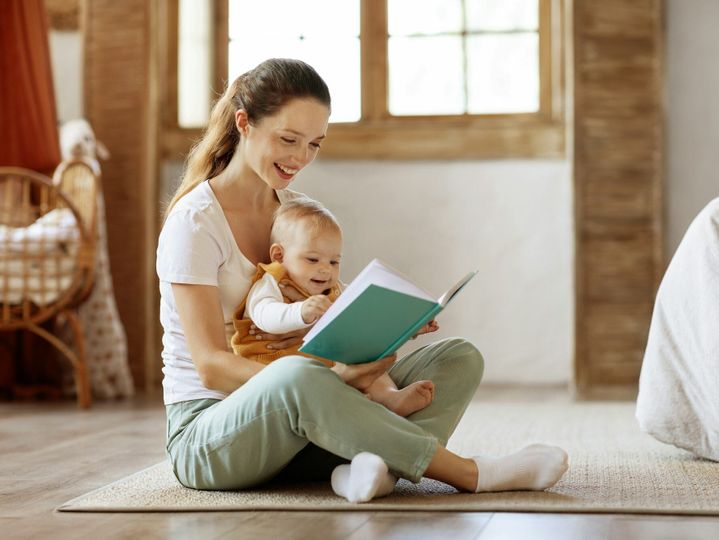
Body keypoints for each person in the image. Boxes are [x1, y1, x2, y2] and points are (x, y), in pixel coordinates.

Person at [157, 57, 569, 503]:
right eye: (288, 139)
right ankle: (471, 473)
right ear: (244, 123)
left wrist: (388, 330)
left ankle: (364, 469)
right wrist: (329, 378)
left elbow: (330, 314)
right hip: (211, 432)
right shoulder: (196, 222)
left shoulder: (296, 211)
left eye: (314, 144)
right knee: (299, 373)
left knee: (457, 358)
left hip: (301, 421)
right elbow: (210, 366)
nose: (300, 158)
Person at [230, 197, 436, 417]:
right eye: (312, 259)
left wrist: (407, 325)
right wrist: (299, 313)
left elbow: (366, 315)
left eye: (333, 262)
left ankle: (390, 396)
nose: (325, 270)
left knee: (368, 358)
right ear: (279, 256)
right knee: (323, 387)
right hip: (276, 372)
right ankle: (357, 406)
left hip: (330, 371)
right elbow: (263, 314)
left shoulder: (335, 289)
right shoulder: (272, 281)